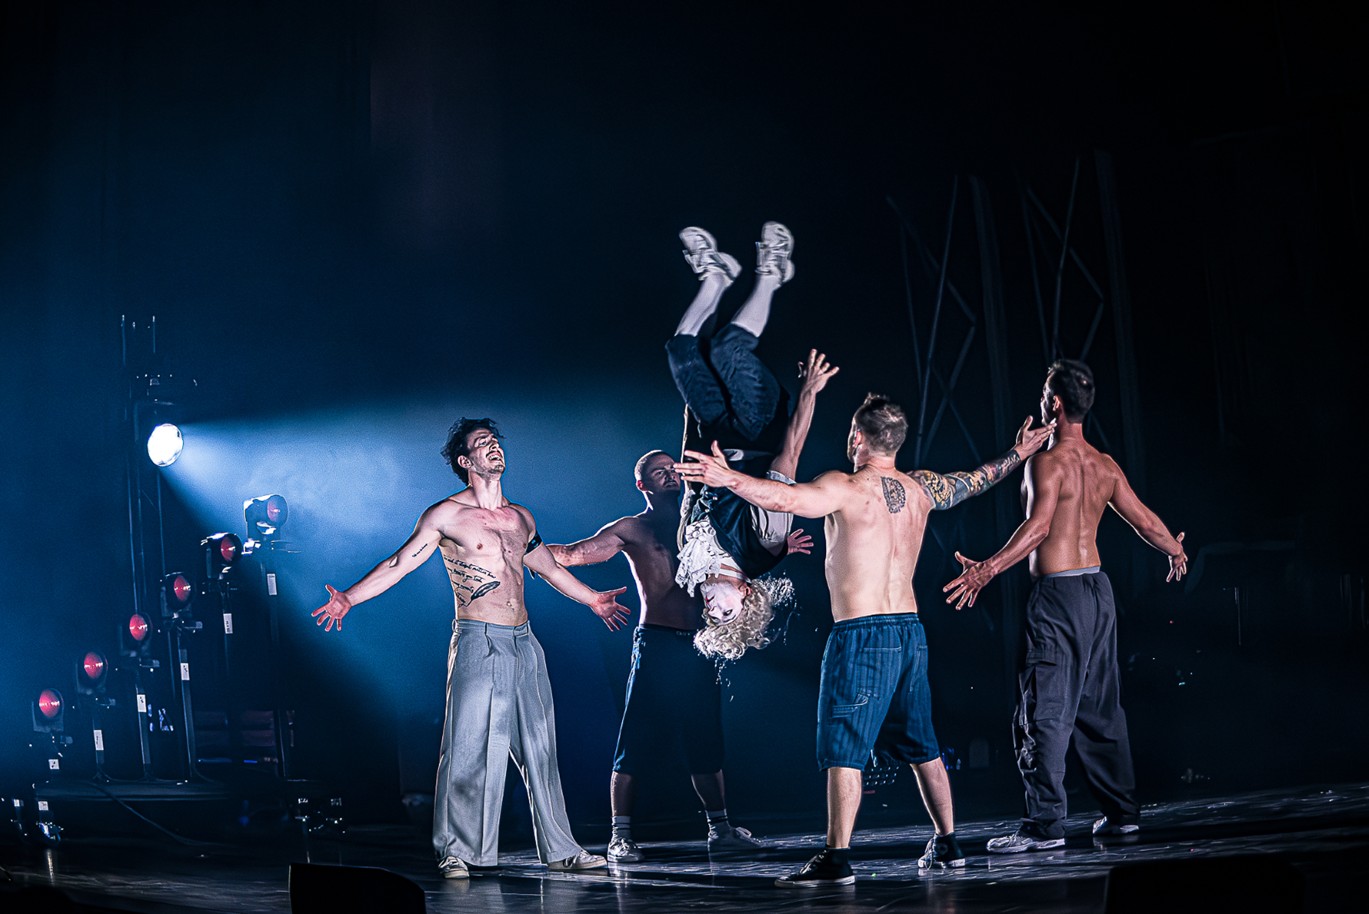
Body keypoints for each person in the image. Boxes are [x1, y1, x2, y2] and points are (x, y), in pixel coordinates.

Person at [677, 395, 1054, 886]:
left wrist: (727, 478)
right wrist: (1020, 452)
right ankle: (948, 843)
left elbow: (784, 499)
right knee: (923, 744)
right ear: (896, 441)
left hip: (861, 634)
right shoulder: (922, 487)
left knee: (843, 750)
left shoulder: (846, 486)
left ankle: (836, 858)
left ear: (857, 438)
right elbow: (976, 480)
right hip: (909, 633)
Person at [311, 418, 631, 879]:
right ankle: (457, 851)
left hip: (524, 641)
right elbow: (400, 563)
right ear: (466, 461)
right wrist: (349, 598)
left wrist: (593, 599)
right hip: (479, 638)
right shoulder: (446, 516)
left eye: (496, 441)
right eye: (483, 443)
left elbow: (547, 567)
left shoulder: (521, 518)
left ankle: (562, 849)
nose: (494, 447)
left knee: (541, 749)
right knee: (468, 748)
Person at [942, 359, 1187, 852]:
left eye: (1043, 393)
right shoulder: (1104, 464)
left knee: (1045, 710)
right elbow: (1145, 521)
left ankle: (1043, 826)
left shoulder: (1047, 463)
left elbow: (1039, 528)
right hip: (1098, 592)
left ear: (1054, 403)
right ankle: (1121, 814)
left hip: (1059, 597)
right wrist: (1175, 550)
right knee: (1099, 706)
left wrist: (987, 569)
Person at [549, 450, 812, 862]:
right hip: (657, 644)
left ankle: (720, 830)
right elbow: (572, 554)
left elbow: (740, 564)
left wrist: (778, 552)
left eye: (672, 468)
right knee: (635, 741)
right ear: (643, 485)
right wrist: (520, 547)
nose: (670, 474)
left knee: (705, 739)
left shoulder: (706, 521)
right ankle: (620, 836)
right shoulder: (633, 528)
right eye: (659, 472)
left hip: (702, 644)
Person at [667, 222, 837, 660]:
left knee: (682, 354)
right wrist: (808, 394)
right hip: (759, 428)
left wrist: (692, 415)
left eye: (710, 617)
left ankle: (716, 276)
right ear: (746, 595)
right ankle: (772, 274)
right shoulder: (764, 544)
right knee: (726, 349)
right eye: (726, 614)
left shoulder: (689, 553)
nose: (711, 609)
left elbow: (693, 484)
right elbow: (789, 456)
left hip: (713, 428)